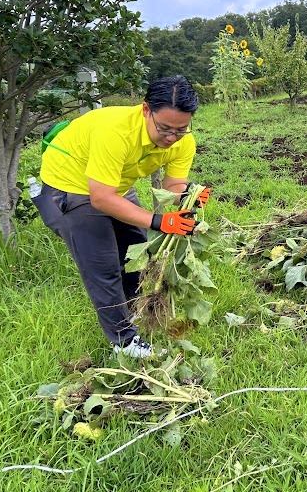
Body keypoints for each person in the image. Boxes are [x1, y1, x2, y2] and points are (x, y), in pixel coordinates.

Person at [32, 76, 211, 358]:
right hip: (70, 184)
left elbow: (173, 185)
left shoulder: (182, 142)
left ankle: (134, 313)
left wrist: (189, 194)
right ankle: (124, 341)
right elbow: (101, 198)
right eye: (164, 128)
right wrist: (160, 222)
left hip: (113, 184)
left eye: (180, 130)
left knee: (134, 254)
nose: (171, 137)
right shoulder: (115, 132)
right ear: (145, 110)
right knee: (103, 265)